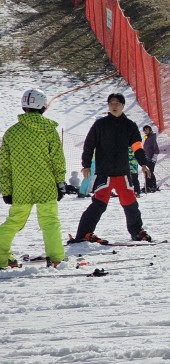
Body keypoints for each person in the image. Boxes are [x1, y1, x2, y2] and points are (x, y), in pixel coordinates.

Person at [72, 93, 153, 243]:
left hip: (123, 174)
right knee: (98, 205)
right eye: (111, 103)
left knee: (131, 204)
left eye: (117, 103)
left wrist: (143, 163)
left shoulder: (130, 126)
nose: (114, 106)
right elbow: (89, 145)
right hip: (105, 174)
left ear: (123, 105)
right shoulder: (100, 124)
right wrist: (86, 165)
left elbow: (137, 147)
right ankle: (84, 234)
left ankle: (137, 231)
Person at [0, 89, 67, 269]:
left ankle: (1, 256)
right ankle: (56, 258)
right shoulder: (49, 130)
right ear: (43, 106)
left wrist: (6, 190)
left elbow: (4, 165)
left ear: (24, 106)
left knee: (14, 221)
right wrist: (60, 183)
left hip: (21, 186)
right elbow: (57, 160)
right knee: (50, 221)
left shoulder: (11, 133)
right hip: (46, 184)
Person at [142, 125, 159, 192]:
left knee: (150, 172)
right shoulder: (147, 137)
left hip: (151, 158)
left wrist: (154, 158)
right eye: (144, 130)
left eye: (146, 129)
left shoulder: (152, 137)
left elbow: (156, 149)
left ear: (150, 130)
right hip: (147, 158)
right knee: (147, 172)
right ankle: (147, 186)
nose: (145, 131)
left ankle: (153, 186)